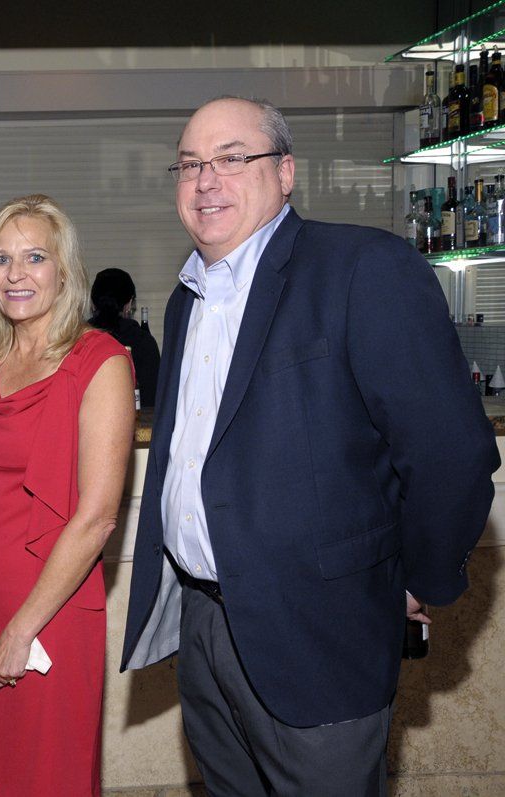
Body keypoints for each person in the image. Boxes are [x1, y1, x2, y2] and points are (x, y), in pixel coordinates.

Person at [121, 97, 499, 796]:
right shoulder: (185, 299)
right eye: (191, 164)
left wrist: (413, 579)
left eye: (233, 158)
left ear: (286, 172)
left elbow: (452, 453)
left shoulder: (362, 268)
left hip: (320, 633)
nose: (206, 180)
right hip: (204, 626)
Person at [0, 195, 136, 796]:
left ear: (64, 271)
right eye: (1, 258)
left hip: (52, 606)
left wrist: (22, 629)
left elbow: (97, 519)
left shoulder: (101, 362)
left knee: (50, 777)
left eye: (35, 257)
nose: (16, 274)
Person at [89, 267, 160, 407]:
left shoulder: (76, 340)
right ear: (129, 304)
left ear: (92, 303)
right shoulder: (144, 343)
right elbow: (152, 400)